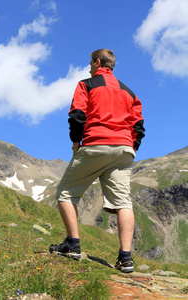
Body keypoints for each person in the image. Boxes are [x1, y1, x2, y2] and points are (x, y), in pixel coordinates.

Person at [49, 49, 145, 273]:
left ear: (98, 62)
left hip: (96, 144)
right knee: (123, 202)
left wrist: (76, 142)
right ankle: (126, 259)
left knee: (66, 192)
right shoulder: (130, 92)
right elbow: (138, 126)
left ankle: (72, 245)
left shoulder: (87, 84)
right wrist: (131, 148)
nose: (89, 67)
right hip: (123, 150)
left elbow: (77, 115)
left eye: (90, 63)